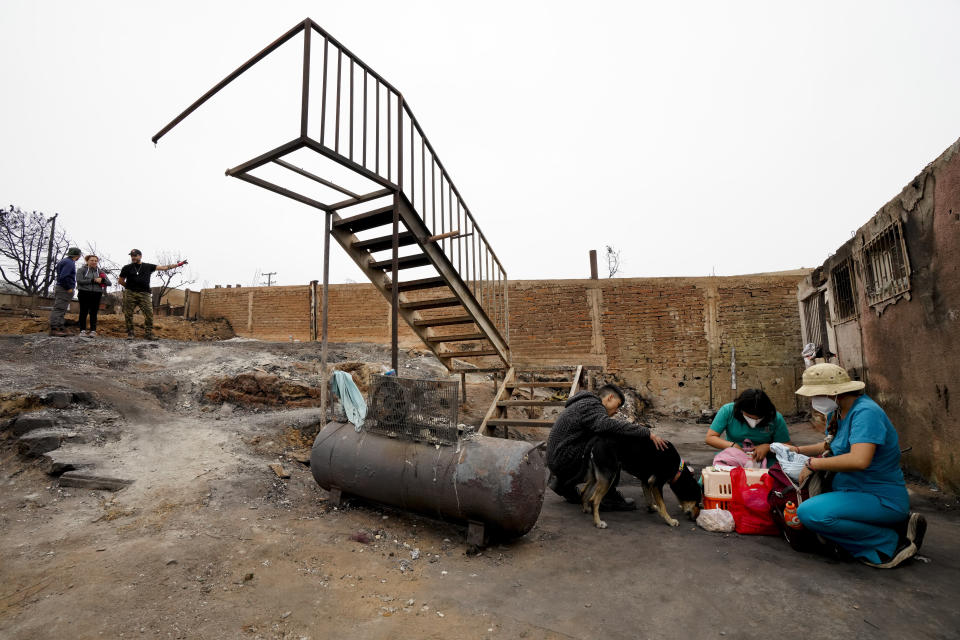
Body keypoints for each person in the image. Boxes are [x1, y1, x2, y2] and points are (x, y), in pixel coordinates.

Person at [793, 363, 926, 568]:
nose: (813, 401)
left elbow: (859, 459)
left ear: (834, 393)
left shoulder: (866, 413)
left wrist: (814, 463)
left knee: (810, 513)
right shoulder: (838, 413)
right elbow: (834, 444)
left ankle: (890, 541)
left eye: (816, 395)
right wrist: (798, 451)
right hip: (852, 491)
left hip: (880, 498)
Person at [546, 384, 669, 510]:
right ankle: (608, 497)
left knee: (599, 439)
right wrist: (646, 432)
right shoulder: (592, 405)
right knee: (611, 443)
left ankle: (563, 485)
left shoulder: (584, 404)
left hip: (558, 458)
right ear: (610, 397)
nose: (617, 410)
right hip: (564, 459)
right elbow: (606, 425)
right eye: (618, 404)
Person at [705, 388, 792, 467]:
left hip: (764, 458)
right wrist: (732, 445)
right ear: (740, 410)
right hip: (733, 455)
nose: (754, 421)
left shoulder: (776, 418)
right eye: (749, 417)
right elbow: (710, 437)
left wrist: (768, 447)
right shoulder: (728, 410)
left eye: (758, 418)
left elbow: (788, 447)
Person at [117, 249, 186, 340]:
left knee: (149, 313)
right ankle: (130, 333)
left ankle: (148, 333)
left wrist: (178, 264)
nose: (133, 257)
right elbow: (120, 281)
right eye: (132, 256)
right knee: (128, 313)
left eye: (135, 255)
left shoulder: (148, 266)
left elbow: (164, 267)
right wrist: (129, 287)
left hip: (145, 293)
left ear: (140, 256)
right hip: (130, 293)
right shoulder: (126, 268)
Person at [48, 247, 82, 336]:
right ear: (77, 255)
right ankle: (54, 329)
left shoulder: (64, 261)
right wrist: (68, 288)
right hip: (64, 289)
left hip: (62, 288)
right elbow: (63, 276)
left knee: (62, 308)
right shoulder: (69, 263)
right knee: (59, 308)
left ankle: (61, 327)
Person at [76, 254, 109, 336]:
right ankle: (82, 330)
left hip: (97, 294)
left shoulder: (101, 272)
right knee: (83, 311)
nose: (94, 262)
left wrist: (102, 280)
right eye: (92, 260)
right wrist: (93, 280)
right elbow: (79, 280)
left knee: (93, 312)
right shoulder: (81, 270)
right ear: (87, 261)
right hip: (84, 293)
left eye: (95, 261)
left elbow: (109, 283)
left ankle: (93, 330)